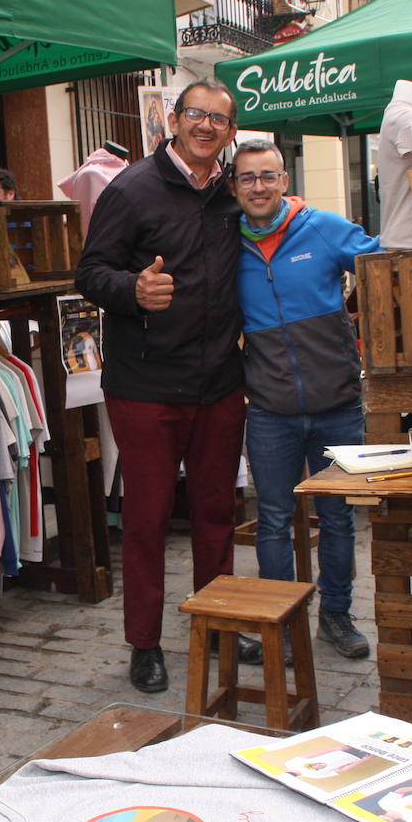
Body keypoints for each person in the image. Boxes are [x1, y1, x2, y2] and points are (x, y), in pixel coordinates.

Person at [76, 79, 245, 693]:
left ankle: (220, 618)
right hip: (146, 385)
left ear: (230, 132)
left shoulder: (231, 193)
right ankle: (144, 643)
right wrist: (133, 292)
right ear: (173, 121)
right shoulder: (133, 189)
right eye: (197, 114)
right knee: (146, 519)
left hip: (221, 382)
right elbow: (90, 272)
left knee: (215, 513)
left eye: (219, 120)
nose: (207, 126)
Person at [232, 138, 380, 659]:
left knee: (338, 516)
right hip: (270, 410)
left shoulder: (322, 227)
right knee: (272, 519)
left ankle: (336, 617)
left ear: (284, 180)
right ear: (235, 186)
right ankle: (284, 622)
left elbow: (386, 264)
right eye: (248, 178)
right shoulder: (227, 243)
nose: (258, 186)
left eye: (267, 176)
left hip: (337, 402)